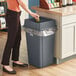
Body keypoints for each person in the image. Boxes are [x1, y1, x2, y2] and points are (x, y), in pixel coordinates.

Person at [1, 0, 39, 74]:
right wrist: (31, 13)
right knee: (11, 40)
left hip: (15, 14)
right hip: (13, 15)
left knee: (17, 38)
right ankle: (5, 64)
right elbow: (21, 2)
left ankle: (15, 60)